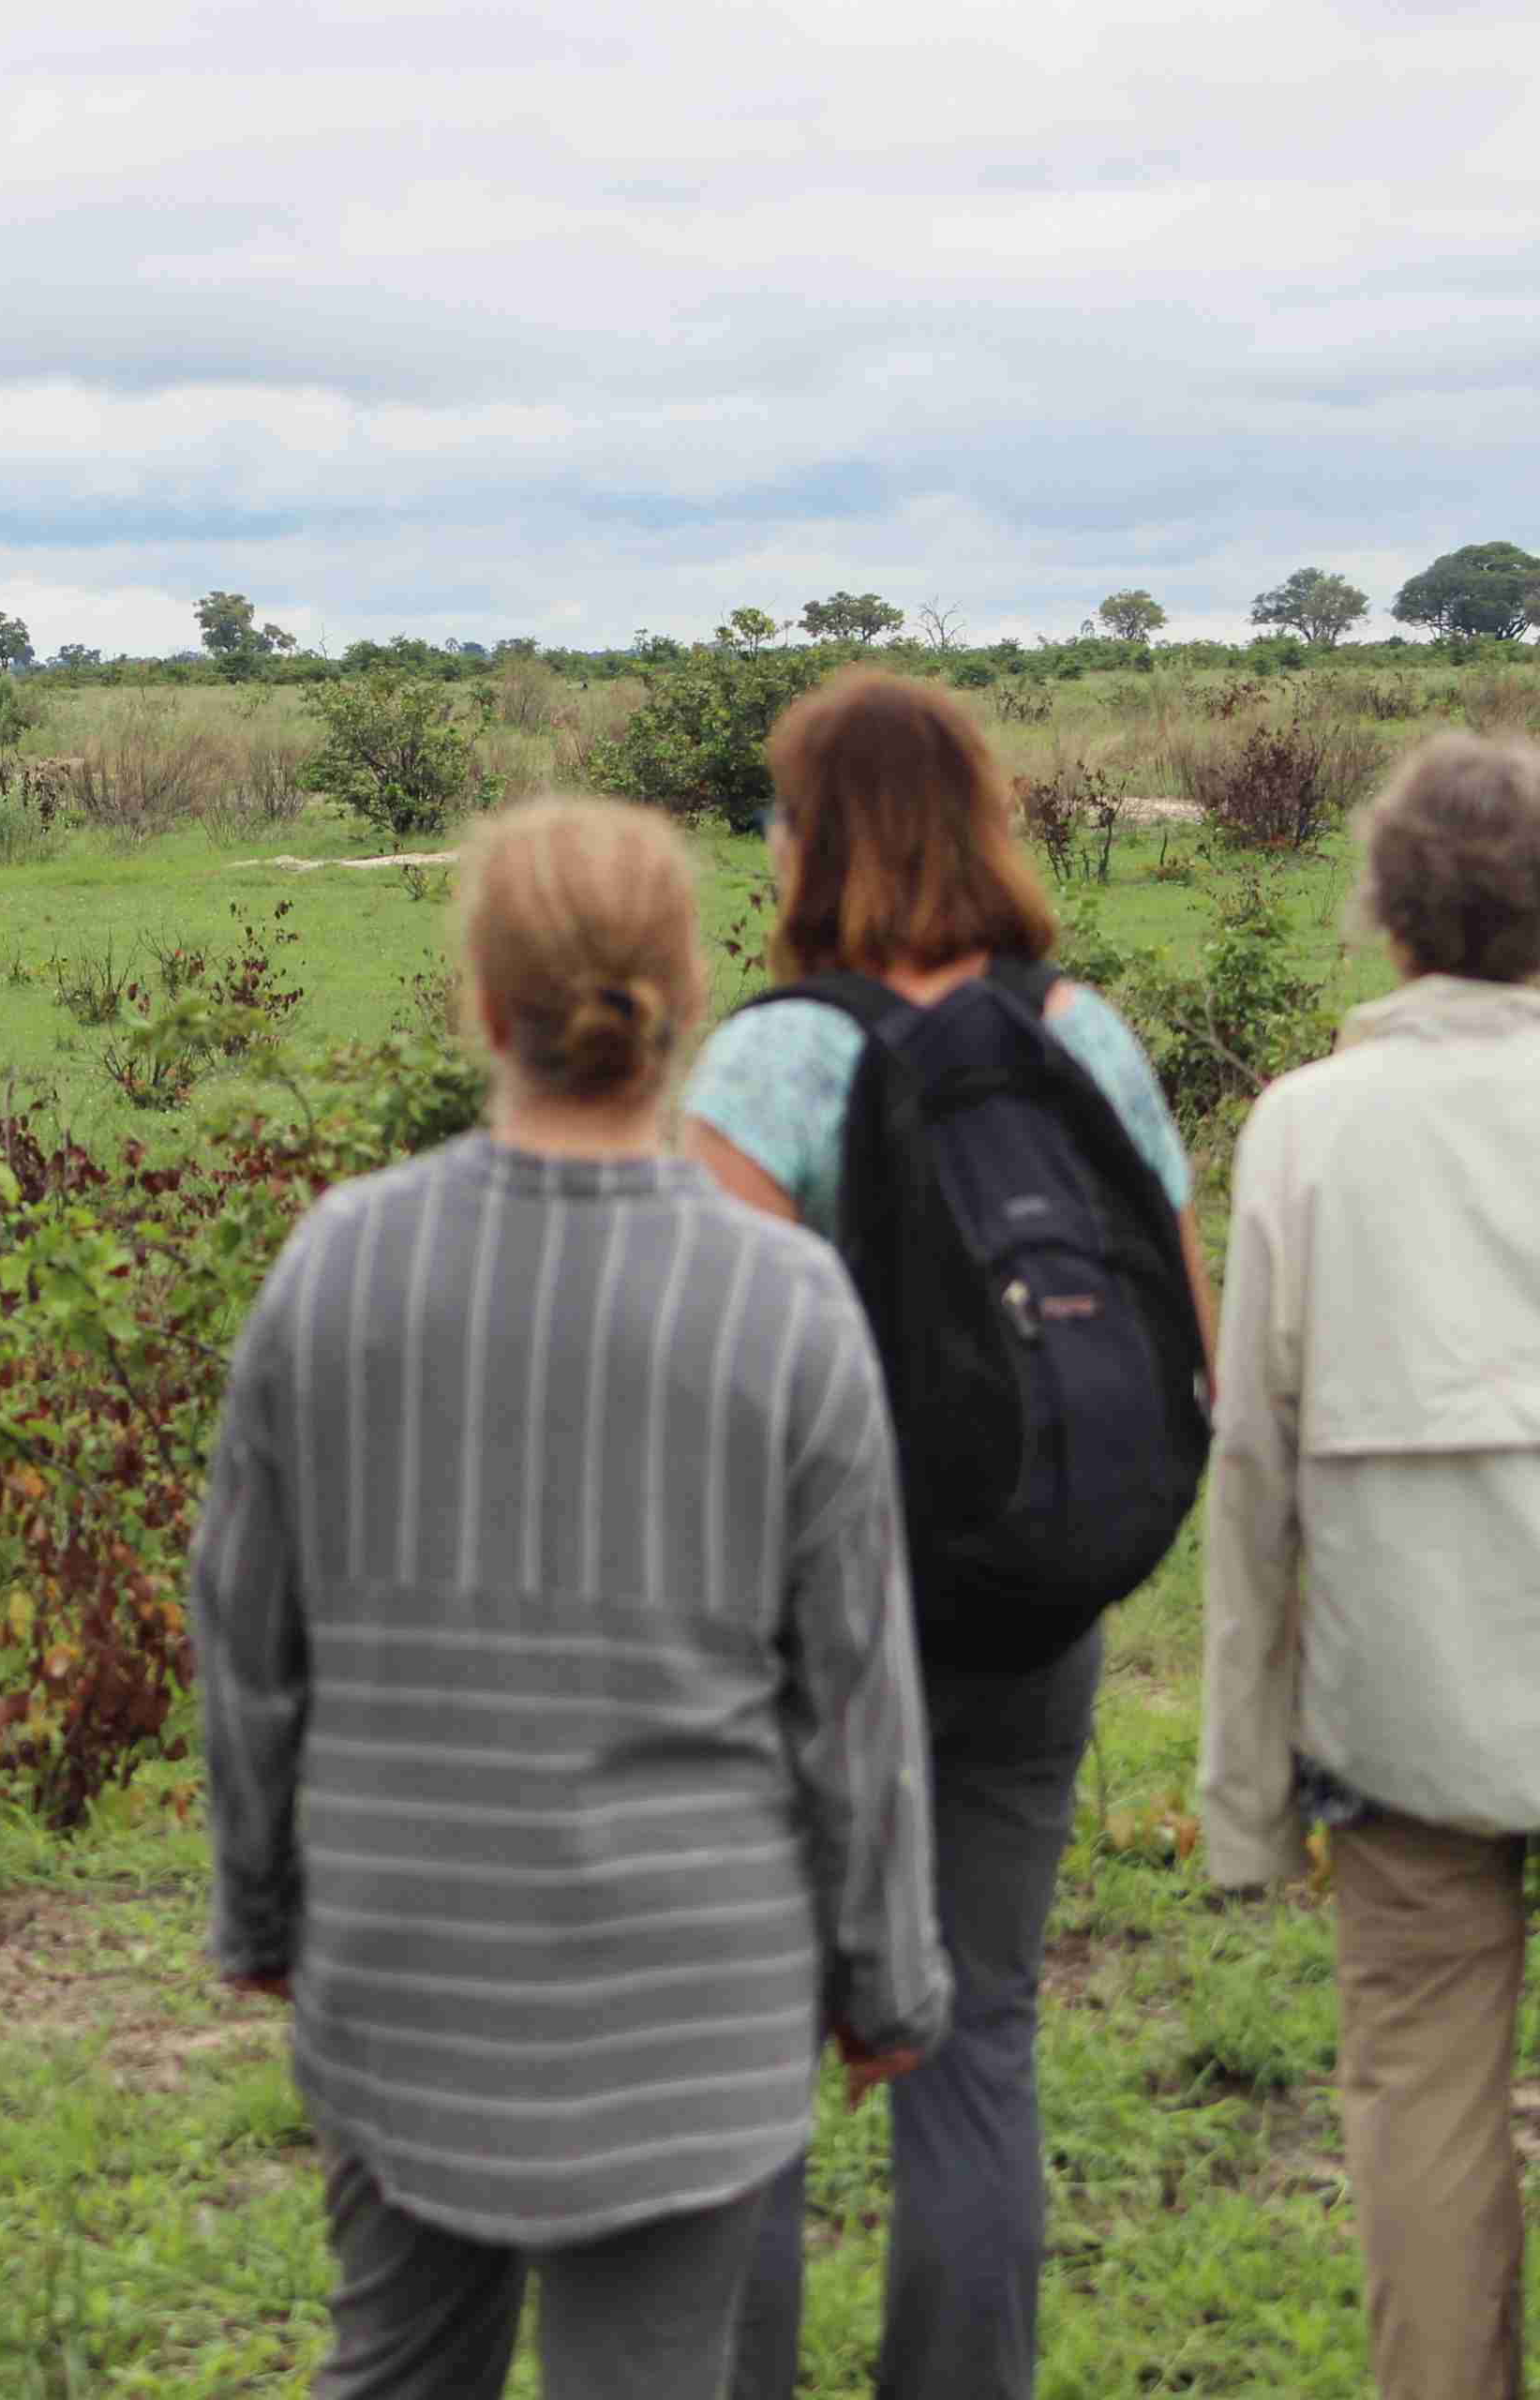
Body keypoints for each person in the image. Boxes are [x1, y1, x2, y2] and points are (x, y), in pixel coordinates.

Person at [191, 794, 949, 2400]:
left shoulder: (337, 1261)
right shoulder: (788, 1303)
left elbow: (245, 1638)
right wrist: (886, 1975)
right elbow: (855, 1682)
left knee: (390, 2368)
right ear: (691, 998)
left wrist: (261, 1907)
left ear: (478, 1000)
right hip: (694, 2008)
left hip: (403, 1972)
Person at [680, 669, 1210, 2400]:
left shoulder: (775, 1059)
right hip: (1030, 1615)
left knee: (749, 2067)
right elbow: (1177, 1332)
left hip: (798, 1643)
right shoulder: (1084, 1034)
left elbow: (703, 1382)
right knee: (979, 2036)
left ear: (805, 838)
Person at [1204, 732, 1540, 2400]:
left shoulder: (1307, 1127)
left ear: (1387, 917)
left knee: (1417, 2098)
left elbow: (1249, 1474)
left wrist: (1243, 1801)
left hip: (1400, 1710)